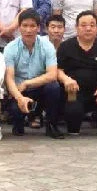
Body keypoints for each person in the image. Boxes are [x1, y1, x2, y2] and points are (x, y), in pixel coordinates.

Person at [57, 11, 97, 138]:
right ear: (76, 28)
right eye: (83, 25)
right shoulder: (65, 46)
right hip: (73, 91)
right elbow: (58, 70)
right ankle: (73, 121)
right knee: (73, 127)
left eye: (92, 25)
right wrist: (66, 79)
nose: (88, 28)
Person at [4, 9, 63, 139]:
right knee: (15, 110)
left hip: (39, 87)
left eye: (32, 26)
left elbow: (52, 75)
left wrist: (27, 83)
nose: (28, 30)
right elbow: (9, 78)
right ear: (19, 28)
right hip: (19, 90)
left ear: (38, 28)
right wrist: (19, 98)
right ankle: (18, 123)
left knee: (53, 87)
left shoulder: (47, 45)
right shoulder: (10, 48)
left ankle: (51, 125)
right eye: (25, 26)